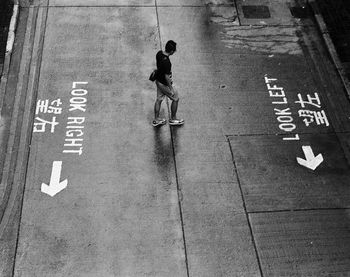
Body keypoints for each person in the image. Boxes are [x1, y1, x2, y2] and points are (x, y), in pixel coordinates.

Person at [152, 40, 184, 127]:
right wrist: (171, 88)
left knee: (159, 100)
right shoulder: (167, 63)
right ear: (172, 51)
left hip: (158, 81)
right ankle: (173, 119)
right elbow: (167, 77)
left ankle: (156, 119)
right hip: (164, 84)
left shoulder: (159, 53)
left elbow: (159, 67)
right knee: (175, 99)